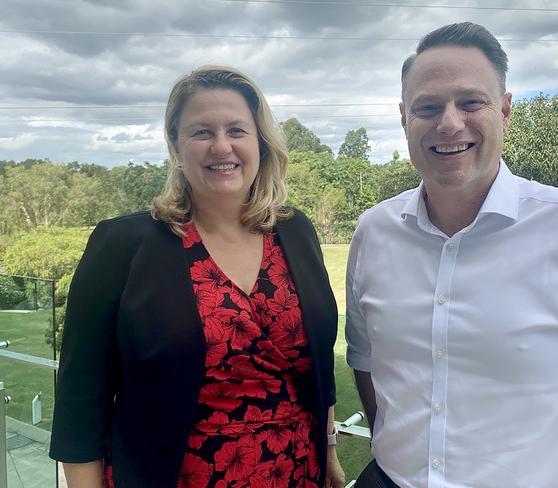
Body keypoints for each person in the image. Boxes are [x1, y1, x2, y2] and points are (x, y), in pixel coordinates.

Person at [345, 22, 558, 488]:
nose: (449, 122)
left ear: (505, 110)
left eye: (471, 102)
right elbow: (364, 358)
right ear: (404, 118)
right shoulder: (374, 232)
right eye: (428, 106)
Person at [49, 65, 345, 488]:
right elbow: (81, 397)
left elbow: (319, 365)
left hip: (296, 471)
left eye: (237, 130)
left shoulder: (295, 231)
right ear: (175, 144)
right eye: (202, 132)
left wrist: (330, 448)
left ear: (260, 141)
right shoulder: (123, 244)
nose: (221, 146)